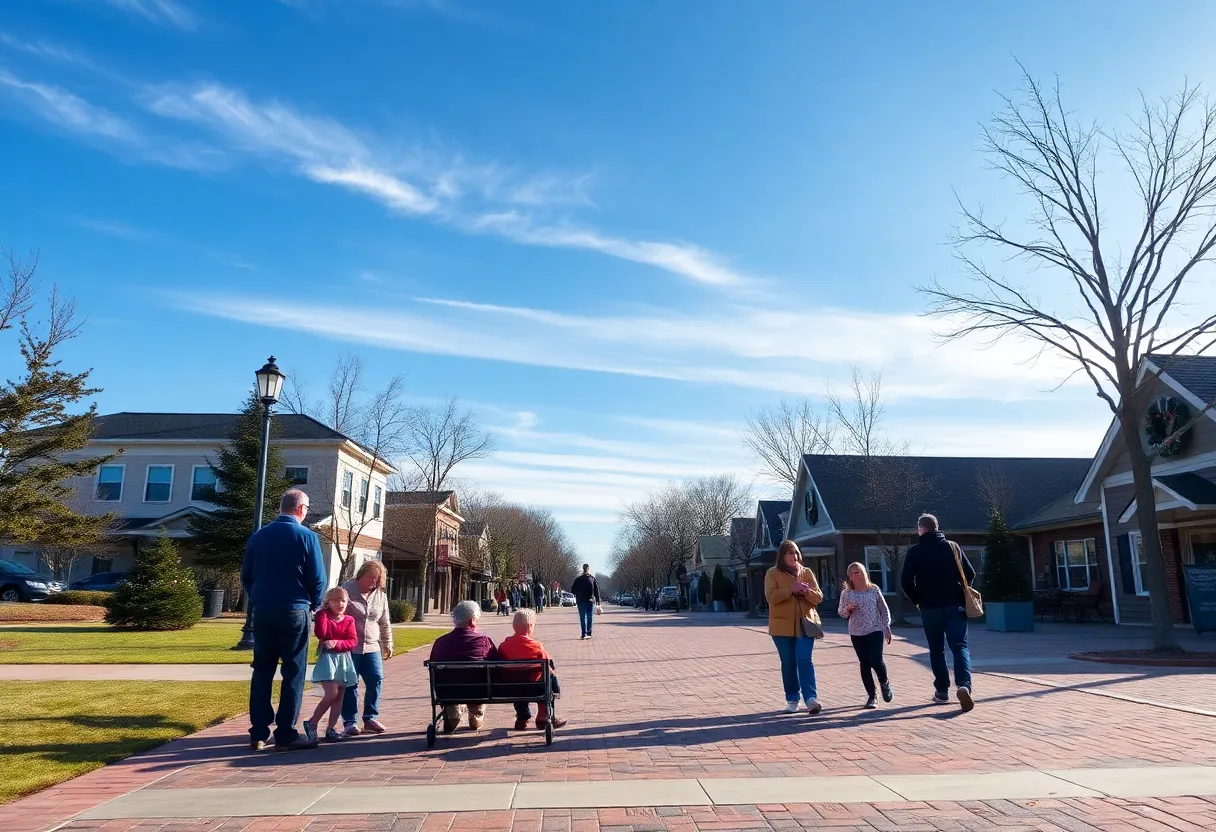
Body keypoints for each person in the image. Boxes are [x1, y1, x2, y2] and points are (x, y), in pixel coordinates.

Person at [242, 488, 326, 751]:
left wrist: (257, 599)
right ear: (301, 509)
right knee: (293, 671)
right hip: (294, 609)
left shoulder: (259, 536)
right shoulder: (307, 537)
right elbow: (317, 578)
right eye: (307, 509)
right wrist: (314, 604)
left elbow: (247, 574)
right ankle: (286, 733)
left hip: (263, 609)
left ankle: (258, 732)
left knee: (262, 669)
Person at [900, 513, 977, 712]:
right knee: (959, 645)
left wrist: (918, 600)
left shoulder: (915, 552)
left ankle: (942, 691)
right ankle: (963, 685)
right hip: (955, 605)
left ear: (920, 529)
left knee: (936, 649)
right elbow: (970, 574)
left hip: (929, 607)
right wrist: (961, 591)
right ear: (937, 527)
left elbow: (905, 582)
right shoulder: (953, 547)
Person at [765, 539, 824, 714]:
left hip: (806, 624)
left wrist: (806, 591)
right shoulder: (772, 573)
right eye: (790, 553)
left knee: (804, 659)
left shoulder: (806, 572)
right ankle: (792, 698)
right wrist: (791, 589)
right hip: (781, 626)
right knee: (789, 663)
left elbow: (819, 597)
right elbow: (772, 598)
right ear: (782, 556)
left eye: (797, 553)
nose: (795, 556)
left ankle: (811, 699)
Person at [339, 560, 393, 736]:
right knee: (350, 683)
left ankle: (369, 717)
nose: (374, 582)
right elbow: (332, 613)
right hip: (350, 646)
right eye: (371, 577)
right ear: (361, 574)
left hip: (372, 646)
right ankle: (349, 721)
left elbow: (384, 622)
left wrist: (387, 643)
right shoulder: (346, 590)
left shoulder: (380, 595)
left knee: (376, 679)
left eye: (378, 579)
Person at [428, 600, 497, 732]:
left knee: (451, 679)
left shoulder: (440, 642)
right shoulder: (483, 641)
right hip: (478, 691)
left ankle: (452, 710)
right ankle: (476, 713)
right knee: (482, 677)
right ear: (473, 620)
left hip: (447, 691)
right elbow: (495, 663)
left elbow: (433, 663)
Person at [304, 586, 359, 743]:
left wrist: (336, 643)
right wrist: (322, 613)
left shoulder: (349, 620)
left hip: (344, 660)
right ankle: (312, 723)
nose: (340, 604)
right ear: (328, 602)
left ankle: (331, 728)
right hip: (328, 660)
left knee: (339, 696)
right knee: (331, 693)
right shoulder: (324, 616)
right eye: (335, 601)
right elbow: (321, 634)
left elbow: (352, 641)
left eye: (343, 600)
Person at [498, 608, 568, 731]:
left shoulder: (504, 645)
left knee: (518, 680)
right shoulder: (536, 645)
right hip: (535, 687)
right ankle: (543, 716)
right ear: (530, 626)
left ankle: (522, 717)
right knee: (548, 678)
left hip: (512, 687)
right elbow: (547, 664)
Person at [838, 561, 893, 709]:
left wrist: (886, 626)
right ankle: (872, 696)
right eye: (855, 572)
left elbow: (884, 609)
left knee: (876, 660)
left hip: (875, 629)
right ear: (850, 576)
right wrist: (848, 609)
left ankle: (884, 682)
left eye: (861, 571)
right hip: (856, 632)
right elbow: (841, 612)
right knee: (865, 663)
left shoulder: (873, 590)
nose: (859, 574)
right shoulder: (847, 593)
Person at [570, 563, 601, 640]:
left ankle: (587, 633)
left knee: (588, 617)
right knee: (584, 617)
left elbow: (596, 591)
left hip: (589, 601)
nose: (586, 569)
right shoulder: (580, 579)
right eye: (585, 568)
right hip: (582, 601)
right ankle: (584, 633)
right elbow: (573, 590)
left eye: (586, 568)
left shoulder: (592, 579)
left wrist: (598, 601)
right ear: (585, 569)